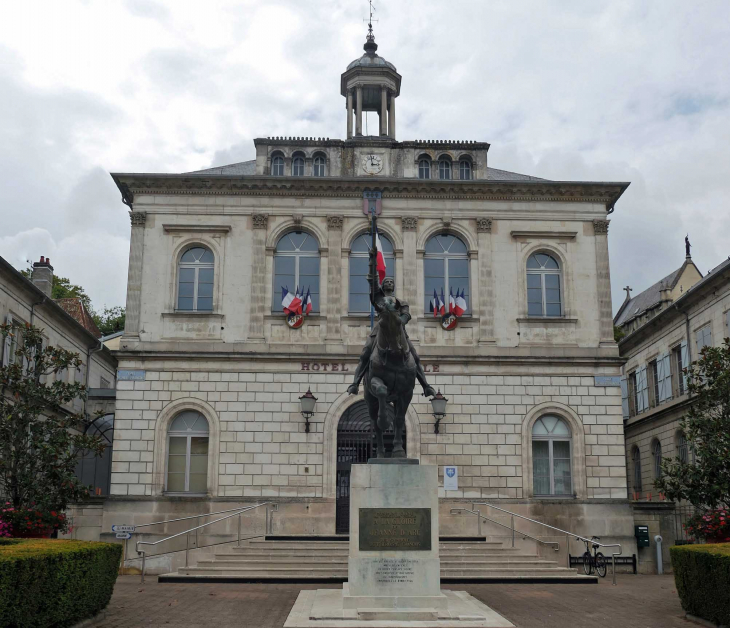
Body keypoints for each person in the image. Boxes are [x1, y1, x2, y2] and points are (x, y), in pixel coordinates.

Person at [347, 275, 436, 398]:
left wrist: (400, 322)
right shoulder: (380, 300)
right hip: (380, 329)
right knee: (365, 354)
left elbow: (406, 315)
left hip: (399, 331)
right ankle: (355, 383)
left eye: (391, 282)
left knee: (414, 356)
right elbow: (374, 296)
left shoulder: (402, 302)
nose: (389, 283)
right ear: (383, 286)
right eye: (386, 282)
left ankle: (426, 386)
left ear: (394, 286)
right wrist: (373, 281)